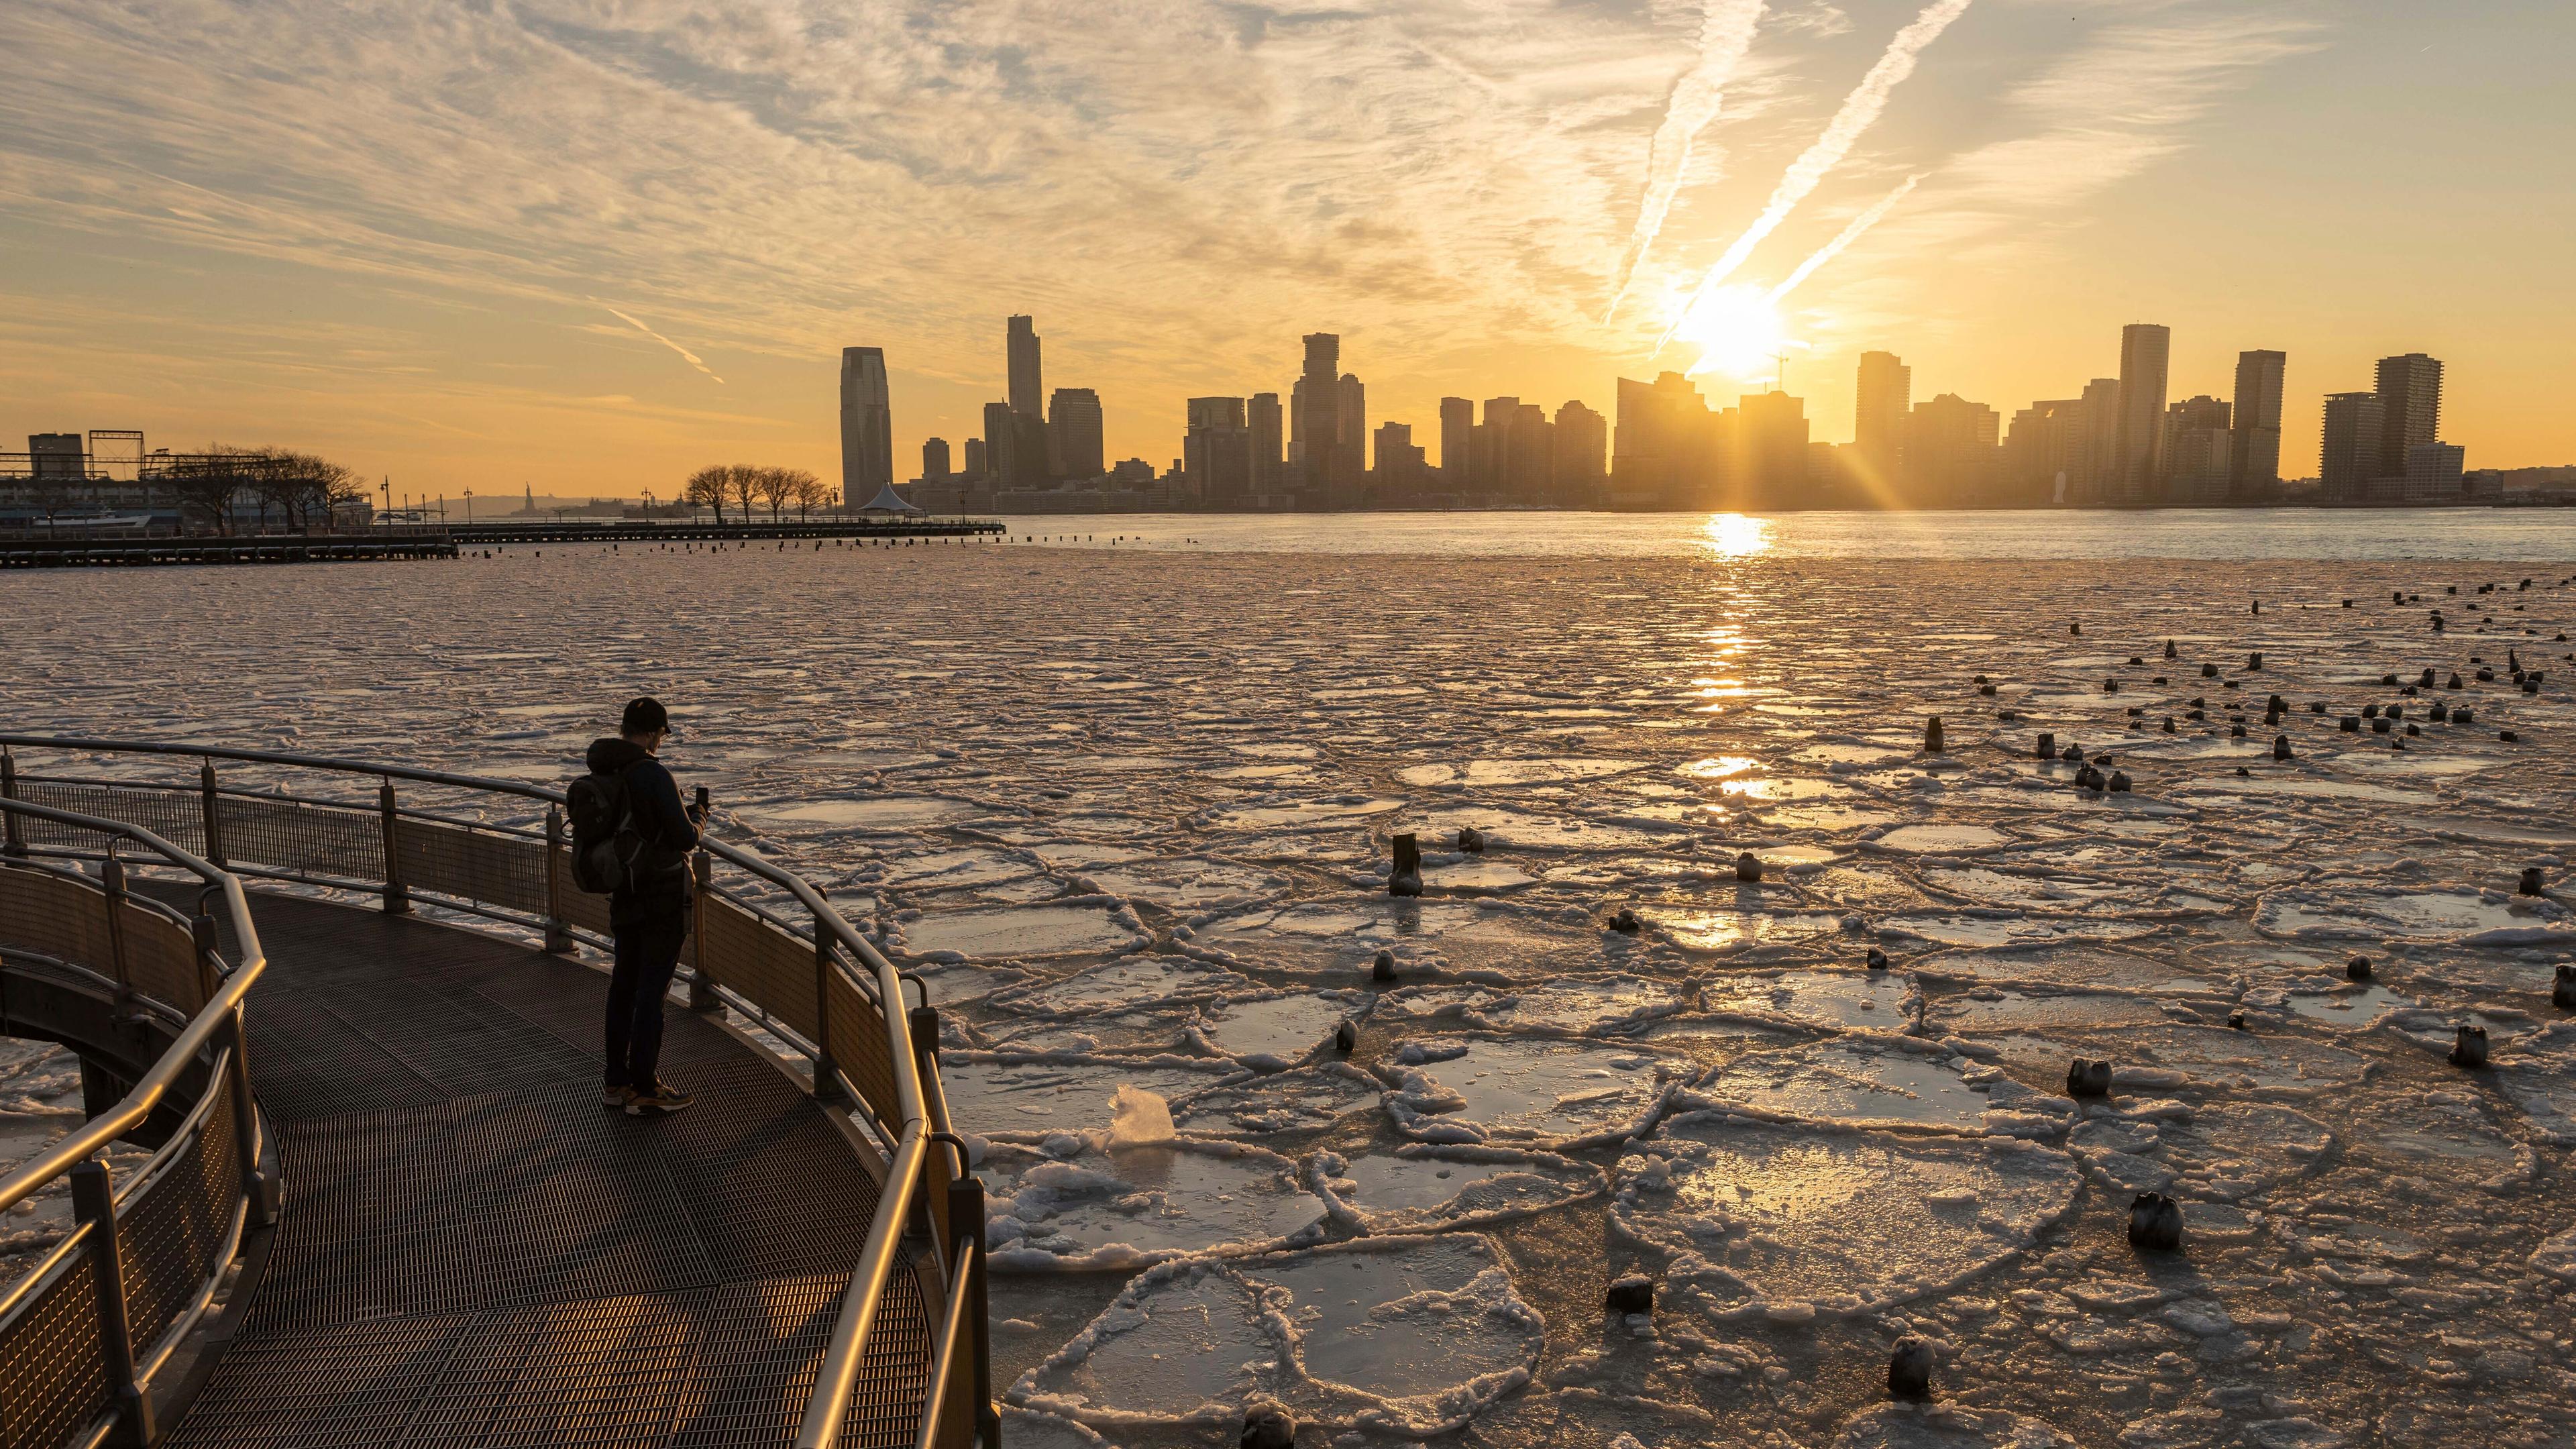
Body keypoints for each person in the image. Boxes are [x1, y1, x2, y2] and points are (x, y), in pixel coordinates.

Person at [584, 696, 704, 1116]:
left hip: (625, 892)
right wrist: (699, 817)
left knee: (623, 986)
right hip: (661, 897)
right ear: (654, 733)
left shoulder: (605, 767)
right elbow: (685, 838)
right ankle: (646, 1087)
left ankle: (616, 1083)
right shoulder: (652, 774)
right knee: (651, 991)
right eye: (660, 734)